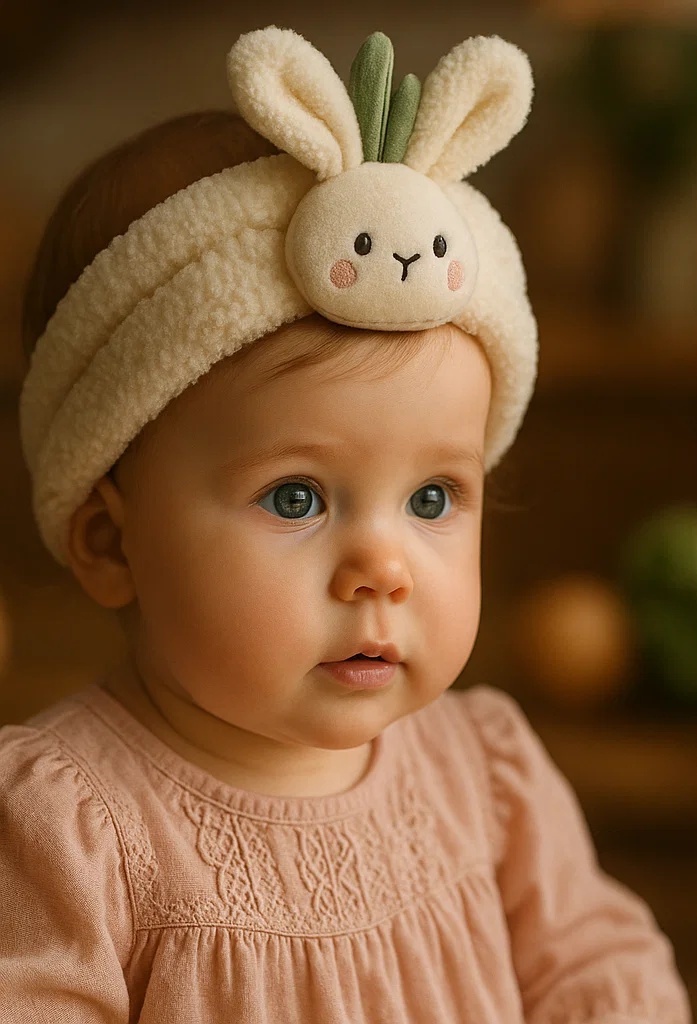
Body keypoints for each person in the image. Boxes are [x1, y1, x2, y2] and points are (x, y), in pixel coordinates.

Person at [0, 25, 690, 1024]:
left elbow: (599, 969)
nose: (383, 567)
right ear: (111, 543)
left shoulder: (487, 776)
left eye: (432, 498)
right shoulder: (72, 826)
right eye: (296, 497)